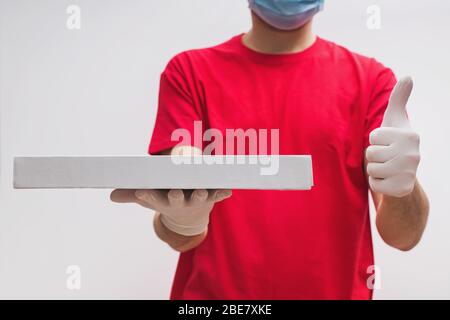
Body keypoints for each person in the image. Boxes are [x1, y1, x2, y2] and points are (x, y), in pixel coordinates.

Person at [110, 0, 429, 299]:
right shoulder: (190, 73)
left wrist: (405, 187)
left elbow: (403, 237)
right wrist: (184, 219)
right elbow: (181, 238)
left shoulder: (371, 81)